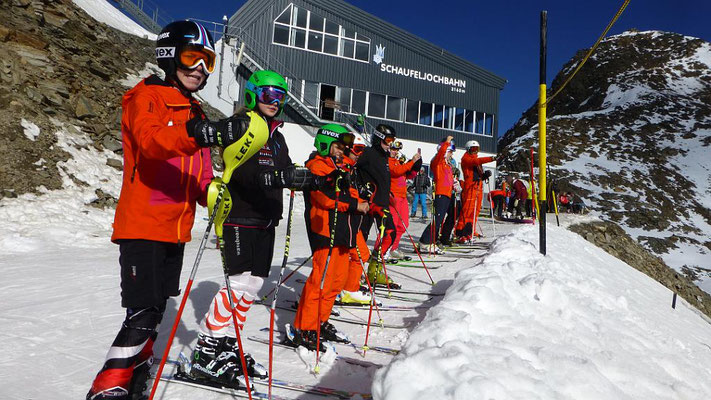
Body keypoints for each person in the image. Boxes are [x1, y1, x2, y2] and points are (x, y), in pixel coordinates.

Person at [86, 20, 254, 400]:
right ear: (169, 55)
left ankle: (134, 384)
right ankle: (105, 388)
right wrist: (203, 133)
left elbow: (194, 172)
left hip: (175, 230)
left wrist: (212, 192)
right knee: (142, 314)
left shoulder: (193, 110)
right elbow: (152, 142)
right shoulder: (145, 98)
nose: (201, 68)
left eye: (208, 60)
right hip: (143, 224)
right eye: (193, 57)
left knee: (155, 314)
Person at [189, 70, 312, 387]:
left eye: (281, 96)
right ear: (252, 94)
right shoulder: (242, 126)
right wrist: (274, 179)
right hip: (240, 215)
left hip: (266, 218)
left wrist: (301, 177)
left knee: (254, 287)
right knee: (238, 285)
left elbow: (284, 170)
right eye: (269, 94)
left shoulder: (278, 136)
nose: (276, 101)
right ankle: (205, 351)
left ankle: (228, 345)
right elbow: (238, 171)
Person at [288, 124, 368, 351]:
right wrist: (354, 204)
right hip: (325, 230)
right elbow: (323, 198)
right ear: (325, 144)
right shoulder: (317, 166)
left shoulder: (341, 166)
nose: (342, 151)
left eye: (344, 148)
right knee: (320, 282)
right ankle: (305, 327)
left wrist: (362, 201)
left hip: (343, 231)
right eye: (338, 146)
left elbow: (349, 193)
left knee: (336, 282)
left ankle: (320, 322)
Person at [355, 124, 399, 287]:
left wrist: (387, 193)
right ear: (378, 138)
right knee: (361, 238)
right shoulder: (368, 153)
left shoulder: (384, 157)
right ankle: (355, 273)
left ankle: (374, 269)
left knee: (390, 234)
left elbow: (381, 178)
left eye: (393, 140)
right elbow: (352, 168)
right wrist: (361, 188)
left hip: (381, 204)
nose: (390, 144)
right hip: (367, 204)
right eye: (388, 140)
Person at [337, 134, 373, 305]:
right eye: (357, 149)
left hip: (352, 222)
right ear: (348, 149)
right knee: (357, 255)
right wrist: (357, 202)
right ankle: (347, 289)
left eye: (362, 151)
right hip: (343, 221)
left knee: (360, 254)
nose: (360, 154)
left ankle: (348, 287)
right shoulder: (342, 166)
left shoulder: (352, 168)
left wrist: (362, 195)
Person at [417, 136, 455, 254]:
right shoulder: (437, 162)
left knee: (439, 220)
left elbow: (448, 180)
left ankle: (431, 241)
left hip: (447, 194)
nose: (451, 155)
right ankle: (425, 242)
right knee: (436, 220)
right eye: (450, 152)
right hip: (440, 194)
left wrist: (455, 185)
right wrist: (447, 142)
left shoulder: (447, 165)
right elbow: (440, 153)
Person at [386, 141, 422, 261]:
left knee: (403, 225)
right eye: (393, 149)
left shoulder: (397, 161)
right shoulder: (387, 161)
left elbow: (406, 175)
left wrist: (415, 167)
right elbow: (397, 171)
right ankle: (382, 249)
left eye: (397, 150)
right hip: (393, 196)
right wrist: (411, 162)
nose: (395, 152)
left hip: (402, 196)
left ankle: (393, 248)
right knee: (391, 226)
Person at [454, 140, 495, 243]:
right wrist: (492, 158)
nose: (475, 152)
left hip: (478, 187)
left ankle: (470, 230)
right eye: (473, 149)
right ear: (468, 150)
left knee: (475, 211)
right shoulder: (466, 159)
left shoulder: (476, 161)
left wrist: (484, 175)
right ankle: (460, 232)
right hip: (471, 187)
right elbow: (475, 162)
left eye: (477, 149)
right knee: (467, 211)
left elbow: (478, 172)